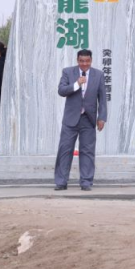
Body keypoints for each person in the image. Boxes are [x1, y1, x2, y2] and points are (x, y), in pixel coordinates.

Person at [54, 49, 108, 191]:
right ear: (77, 60)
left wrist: (102, 117)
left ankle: (86, 182)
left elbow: (102, 99)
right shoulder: (68, 72)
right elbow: (61, 90)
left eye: (87, 61)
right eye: (82, 61)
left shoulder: (98, 75)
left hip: (88, 119)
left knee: (87, 151)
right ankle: (61, 181)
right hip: (70, 118)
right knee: (65, 150)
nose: (84, 64)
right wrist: (76, 84)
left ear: (91, 60)